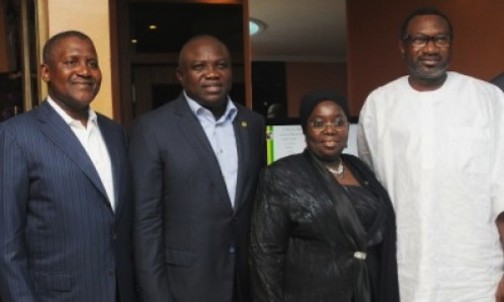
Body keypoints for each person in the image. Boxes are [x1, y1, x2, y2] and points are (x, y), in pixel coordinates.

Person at [358, 7, 504, 302]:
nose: (431, 48)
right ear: (403, 46)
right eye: (420, 40)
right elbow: (368, 187)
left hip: (475, 275)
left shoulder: (488, 99)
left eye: (441, 39)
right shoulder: (379, 104)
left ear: (451, 44)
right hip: (403, 272)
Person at [0, 31, 136, 301]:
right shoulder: (16, 135)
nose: (84, 71)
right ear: (46, 72)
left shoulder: (115, 132)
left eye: (92, 63)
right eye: (71, 62)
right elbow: (6, 243)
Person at [129, 35, 266, 302]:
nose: (212, 74)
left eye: (221, 65)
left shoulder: (252, 124)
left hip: (244, 281)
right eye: (199, 67)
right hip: (185, 285)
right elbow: (146, 223)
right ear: (180, 75)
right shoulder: (152, 129)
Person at [250, 90, 399, 302]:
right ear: (305, 129)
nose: (330, 130)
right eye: (318, 123)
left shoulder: (361, 169)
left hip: (367, 290)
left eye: (339, 122)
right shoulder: (282, 175)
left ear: (348, 128)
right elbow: (265, 254)